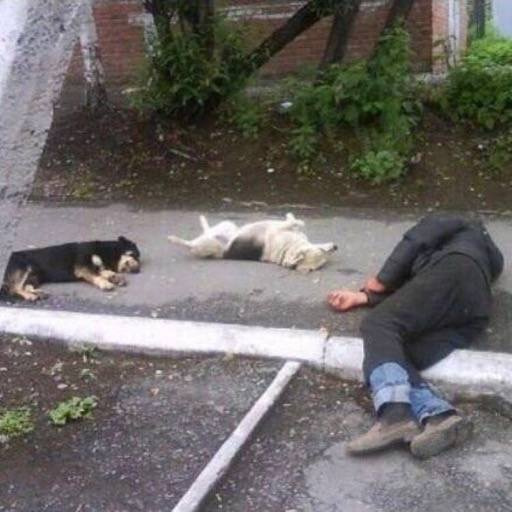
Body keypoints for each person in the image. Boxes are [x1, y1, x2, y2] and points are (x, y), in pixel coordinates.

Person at [327, 213, 504, 459]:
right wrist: (363, 297)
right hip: (474, 312)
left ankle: (395, 415)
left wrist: (382, 279)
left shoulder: (458, 222)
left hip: (453, 273)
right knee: (394, 353)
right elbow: (419, 294)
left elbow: (416, 239)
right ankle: (439, 416)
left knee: (379, 325)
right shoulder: (489, 258)